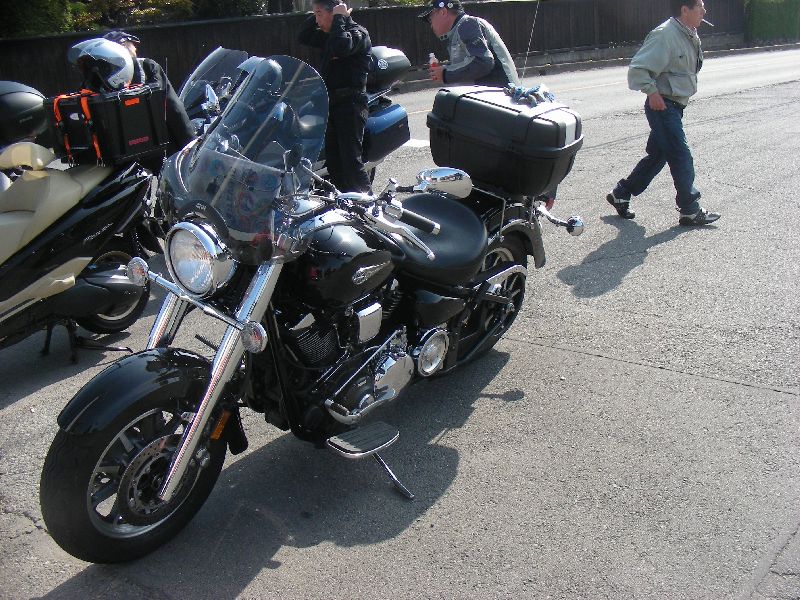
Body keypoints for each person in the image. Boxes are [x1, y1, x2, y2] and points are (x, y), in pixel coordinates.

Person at [606, 0, 720, 226]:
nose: (704, 11)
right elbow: (638, 69)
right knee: (681, 155)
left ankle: (621, 193)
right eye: (700, 6)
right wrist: (652, 92)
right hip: (663, 106)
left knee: (658, 156)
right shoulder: (664, 35)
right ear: (685, 10)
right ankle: (689, 209)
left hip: (675, 106)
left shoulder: (689, 33)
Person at [298, 0, 372, 193]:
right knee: (334, 164)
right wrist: (319, 12)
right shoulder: (330, 36)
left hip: (351, 104)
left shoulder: (357, 33)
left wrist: (340, 17)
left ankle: (370, 205)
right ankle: (346, 204)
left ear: (334, 13)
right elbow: (303, 36)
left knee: (351, 163)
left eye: (319, 14)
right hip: (331, 104)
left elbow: (341, 47)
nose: (317, 20)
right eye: (315, 14)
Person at [103, 30, 195, 155]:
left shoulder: (99, 78)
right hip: (160, 147)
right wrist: (190, 142)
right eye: (132, 44)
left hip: (121, 153)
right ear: (123, 46)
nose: (135, 48)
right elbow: (172, 106)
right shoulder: (146, 66)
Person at [419, 0, 520, 88]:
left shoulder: (467, 24)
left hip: (501, 95)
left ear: (443, 12)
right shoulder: (459, 30)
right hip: (496, 94)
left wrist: (445, 73)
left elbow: (482, 62)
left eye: (430, 19)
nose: (431, 25)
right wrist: (445, 71)